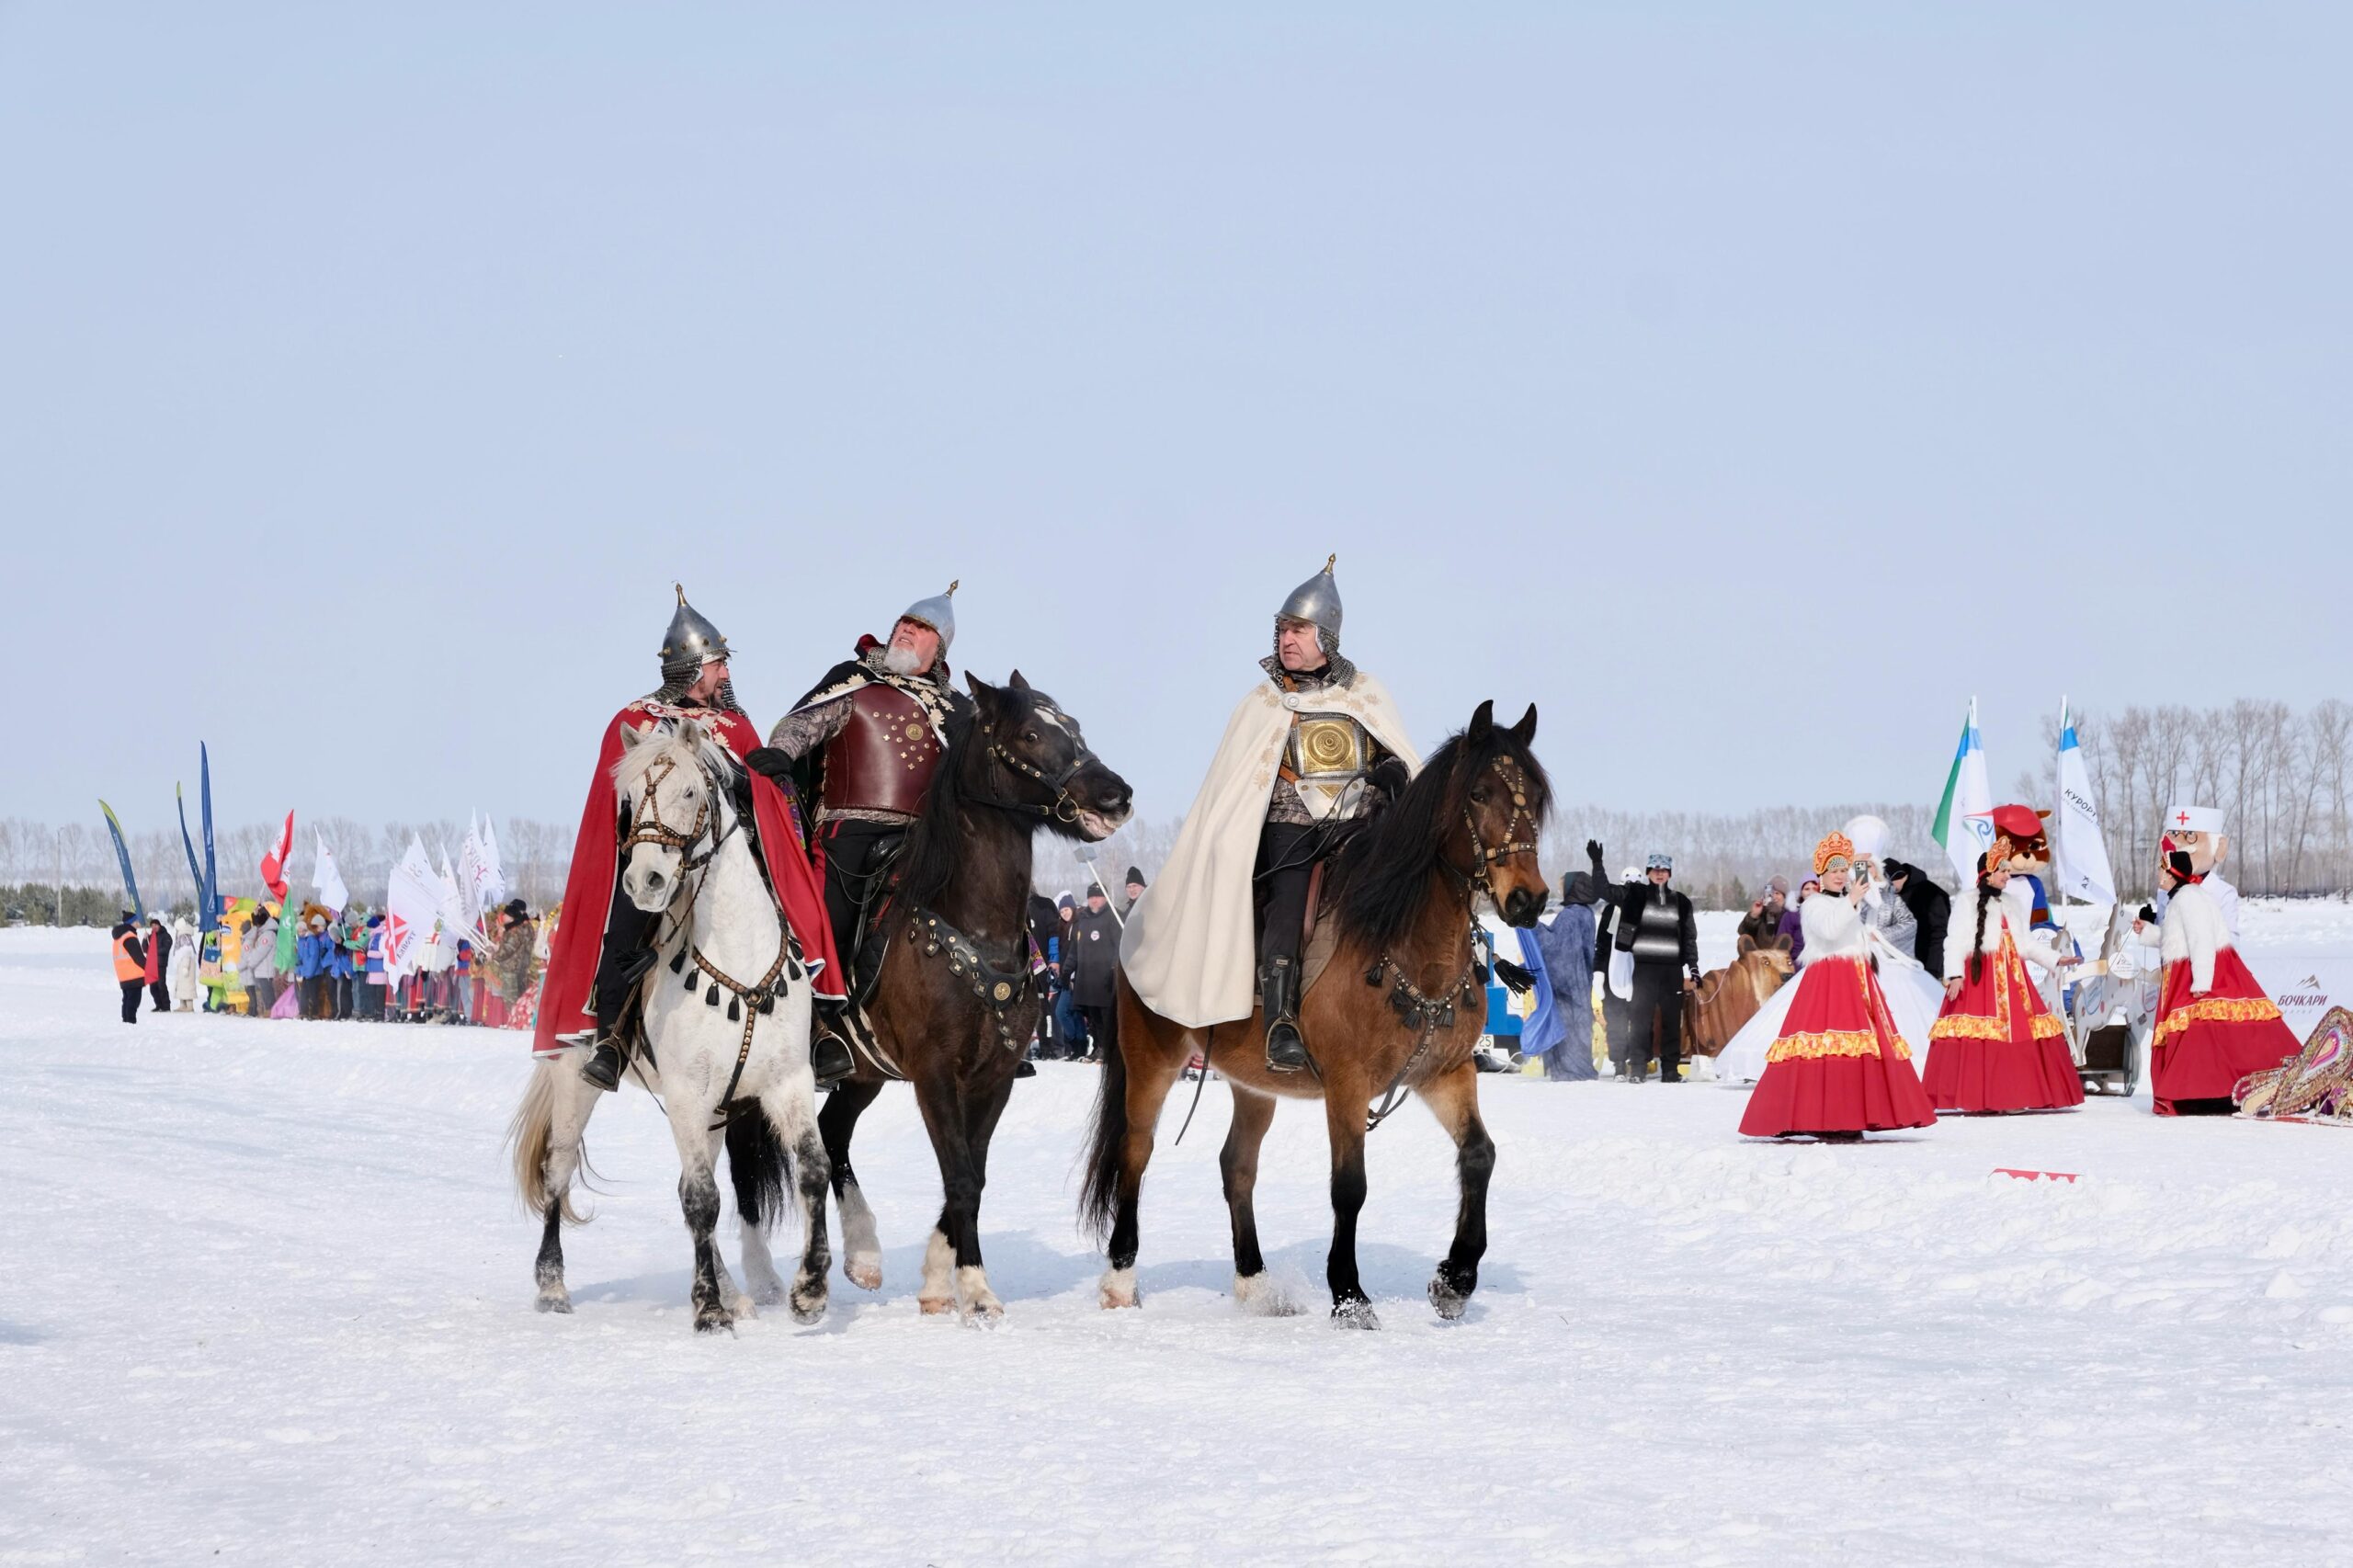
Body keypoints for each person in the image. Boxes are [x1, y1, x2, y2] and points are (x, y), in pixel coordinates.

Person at [1120, 556, 1419, 1073]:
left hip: (1360, 827)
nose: (1287, 639)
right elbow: (1236, 780)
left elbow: (1397, 752)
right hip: (1290, 825)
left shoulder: (1366, 694)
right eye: (1282, 629)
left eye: (1299, 630)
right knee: (1287, 906)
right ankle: (1281, 1022)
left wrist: (1395, 772)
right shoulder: (1262, 702)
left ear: (1326, 637)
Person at [542, 585, 841, 1091]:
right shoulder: (636, 721)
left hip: (728, 858)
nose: (726, 674)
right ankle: (613, 1039)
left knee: (795, 916)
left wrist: (748, 778)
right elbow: (613, 803)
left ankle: (817, 1033)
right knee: (625, 930)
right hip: (659, 856)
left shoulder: (735, 726)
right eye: (718, 664)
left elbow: (766, 798)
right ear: (691, 669)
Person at [749, 583, 972, 1082]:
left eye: (921, 628)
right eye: (904, 623)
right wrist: (782, 753)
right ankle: (814, 1030)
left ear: (940, 648)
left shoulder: (956, 709)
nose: (907, 631)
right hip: (849, 830)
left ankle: (993, 1020)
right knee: (826, 918)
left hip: (927, 839)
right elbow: (802, 725)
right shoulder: (853, 680)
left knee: (988, 898)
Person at [1739, 833, 1937, 1140]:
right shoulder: (1814, 904)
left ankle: (1852, 1114)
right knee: (1831, 1045)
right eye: (1834, 870)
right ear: (1821, 874)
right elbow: (1830, 930)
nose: (1840, 875)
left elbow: (1868, 916)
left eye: (1844, 870)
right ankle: (1824, 1117)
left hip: (1854, 977)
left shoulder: (1848, 901)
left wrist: (1862, 881)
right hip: (1829, 980)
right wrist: (1852, 899)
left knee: (1859, 1048)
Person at [2138, 835, 2298, 1116]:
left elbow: (2202, 940)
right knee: (2202, 1036)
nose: (2158, 876)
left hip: (2199, 973)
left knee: (2206, 1033)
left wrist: (2202, 982)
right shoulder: (2182, 898)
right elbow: (2177, 940)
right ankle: (2199, 1093)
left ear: (2172, 874)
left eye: (2161, 870)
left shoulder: (2190, 898)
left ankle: (2200, 1092)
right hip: (2186, 972)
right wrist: (2148, 932)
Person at [1927, 851, 2084, 1114]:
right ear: (1987, 873)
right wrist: (1954, 975)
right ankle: (1982, 1097)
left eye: (2008, 871)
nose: (2008, 876)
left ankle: (2014, 1094)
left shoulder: (2012, 904)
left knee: (2019, 1033)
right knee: (1982, 1034)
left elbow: (2027, 944)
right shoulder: (1967, 902)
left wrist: (2056, 959)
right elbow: (1953, 941)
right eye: (2003, 871)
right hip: (1980, 978)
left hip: (2013, 979)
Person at [1613, 853, 1699, 1083]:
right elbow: (1610, 893)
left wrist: (1693, 967)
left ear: (1669, 874)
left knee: (1672, 1020)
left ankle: (1670, 1070)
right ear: (1648, 873)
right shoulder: (1638, 896)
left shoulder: (1681, 901)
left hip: (1672, 969)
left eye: (1664, 870)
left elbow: (1689, 937)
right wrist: (1599, 866)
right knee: (1641, 1020)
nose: (1659, 874)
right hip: (1645, 969)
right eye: (1655, 870)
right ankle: (1638, 1068)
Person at [1529, 841, 1608, 1081]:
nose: (1561, 891)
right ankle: (1576, 1069)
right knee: (1579, 1029)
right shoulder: (1586, 913)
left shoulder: (1571, 916)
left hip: (1567, 992)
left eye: (1563, 887)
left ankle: (1569, 1071)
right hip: (1580, 988)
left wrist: (1531, 924)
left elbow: (1555, 949)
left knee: (1569, 1032)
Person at [1066, 883, 1122, 1061]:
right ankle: (1098, 1046)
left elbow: (1120, 946)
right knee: (1092, 1017)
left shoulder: (1113, 916)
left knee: (1107, 1017)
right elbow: (1074, 949)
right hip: (1086, 978)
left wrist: (1114, 967)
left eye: (1098, 896)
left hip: (1105, 978)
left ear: (1105, 898)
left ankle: (1109, 1049)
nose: (1094, 900)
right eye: (1091, 897)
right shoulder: (1083, 919)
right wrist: (1067, 970)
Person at [1884, 859, 1951, 982]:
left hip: (1926, 967)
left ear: (1898, 877)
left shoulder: (1931, 894)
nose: (1887, 888)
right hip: (1897, 967)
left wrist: (1932, 971)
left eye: (1888, 884)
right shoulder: (1891, 895)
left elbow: (1939, 934)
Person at [110, 913, 147, 1023]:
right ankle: (130, 1022)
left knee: (127, 1000)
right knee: (133, 1001)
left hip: (124, 975)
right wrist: (148, 967)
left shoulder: (119, 936)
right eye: (137, 920)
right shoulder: (129, 937)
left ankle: (126, 1021)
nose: (139, 922)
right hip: (133, 975)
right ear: (132, 922)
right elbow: (138, 957)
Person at [1738, 879, 1791, 952]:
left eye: (1777, 893)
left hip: (1780, 957)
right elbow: (1742, 933)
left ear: (1785, 897)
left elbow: (1788, 938)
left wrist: (1778, 915)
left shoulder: (1790, 915)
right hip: (1759, 956)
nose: (1773, 896)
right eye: (1771, 893)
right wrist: (1753, 916)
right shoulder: (1762, 913)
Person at [242, 908, 277, 1017]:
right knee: (263, 992)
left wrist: (250, 961)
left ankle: (270, 1010)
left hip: (266, 968)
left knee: (267, 991)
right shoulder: (263, 933)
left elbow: (260, 951)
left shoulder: (268, 934)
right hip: (261, 968)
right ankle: (266, 1010)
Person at [144, 913, 175, 1016]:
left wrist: (154, 951)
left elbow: (166, 949)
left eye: (155, 925)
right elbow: (145, 949)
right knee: (153, 987)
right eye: (152, 925)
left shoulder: (166, 936)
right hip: (152, 965)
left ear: (159, 925)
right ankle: (158, 1005)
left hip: (161, 965)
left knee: (161, 985)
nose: (154, 927)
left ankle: (166, 1006)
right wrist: (144, 939)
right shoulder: (150, 937)